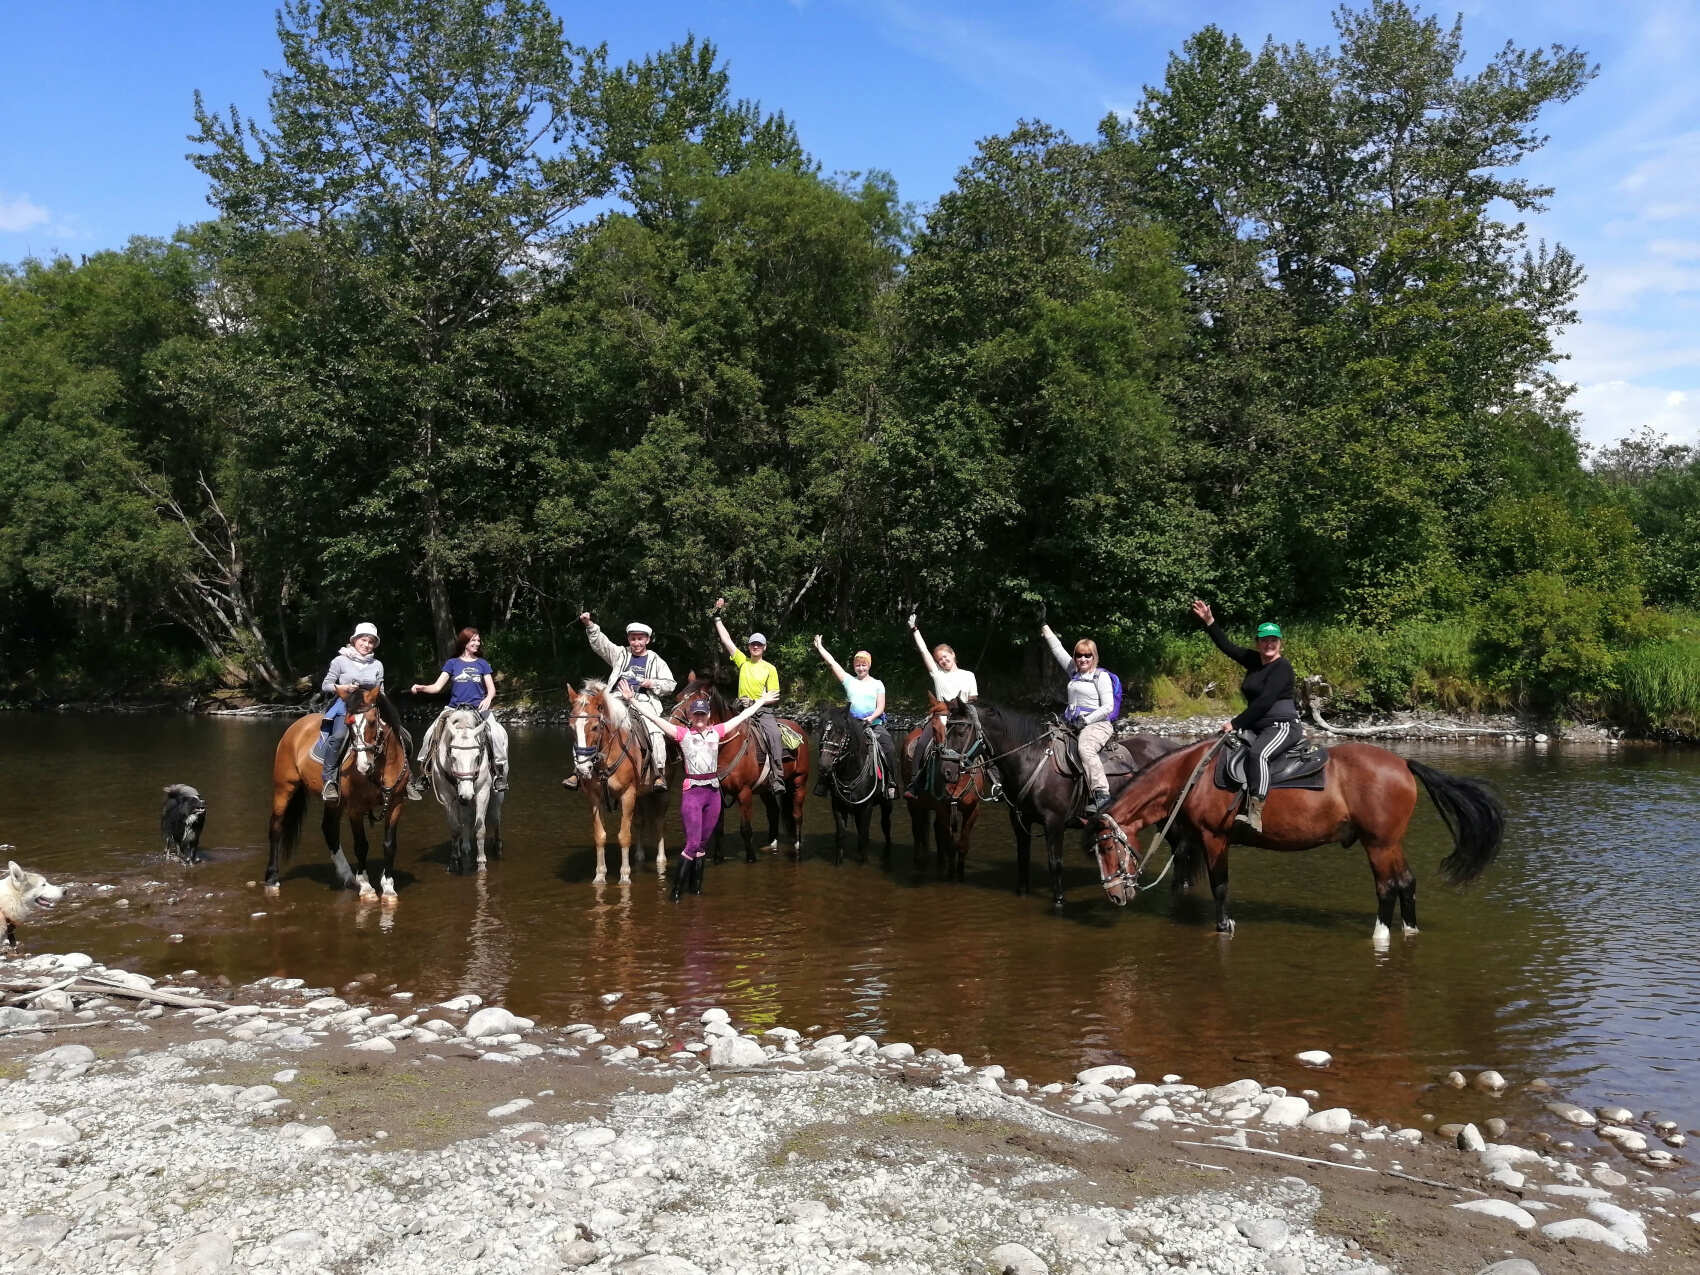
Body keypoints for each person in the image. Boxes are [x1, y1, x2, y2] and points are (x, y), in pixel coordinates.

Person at [621, 683, 779, 898]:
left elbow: (742, 717)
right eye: (696, 715)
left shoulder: (717, 732)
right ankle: (676, 892)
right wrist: (632, 701)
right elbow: (656, 719)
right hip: (693, 793)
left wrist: (760, 701)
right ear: (691, 717)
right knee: (692, 843)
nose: (700, 718)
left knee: (703, 844)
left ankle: (696, 890)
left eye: (703, 715)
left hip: (713, 794)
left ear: (708, 716)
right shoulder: (683, 734)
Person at [1190, 599, 1302, 833]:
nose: (1269, 644)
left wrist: (1235, 723)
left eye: (1273, 640)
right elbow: (1227, 646)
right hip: (1256, 726)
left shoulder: (1282, 667)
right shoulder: (1254, 660)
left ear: (1280, 643)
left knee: (1258, 754)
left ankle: (1255, 812)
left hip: (1282, 725)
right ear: (1258, 642)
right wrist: (1210, 621)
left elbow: (1264, 702)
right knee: (1219, 747)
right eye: (1264, 640)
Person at [568, 612, 676, 791]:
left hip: (642, 701)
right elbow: (601, 644)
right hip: (615, 700)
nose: (636, 643)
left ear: (647, 640)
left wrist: (650, 683)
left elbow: (670, 684)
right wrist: (589, 625)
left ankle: (658, 773)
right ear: (628, 639)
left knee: (655, 730)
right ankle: (578, 771)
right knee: (586, 724)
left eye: (640, 639)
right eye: (633, 639)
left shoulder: (656, 660)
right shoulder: (621, 654)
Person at [406, 627, 509, 798]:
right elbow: (437, 687)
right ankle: (425, 774)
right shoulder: (452, 663)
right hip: (454, 710)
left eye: (478, 640)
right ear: (464, 642)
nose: (477, 643)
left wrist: (488, 698)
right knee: (430, 734)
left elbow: (491, 689)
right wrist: (422, 687)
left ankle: (499, 774)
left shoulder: (482, 663)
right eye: (473, 640)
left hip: (478, 710)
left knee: (496, 734)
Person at [319, 621, 408, 805]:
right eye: (363, 640)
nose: (367, 645)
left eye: (371, 642)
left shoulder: (377, 664)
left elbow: (380, 690)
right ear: (355, 640)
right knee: (339, 735)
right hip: (347, 704)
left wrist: (387, 709)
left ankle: (407, 778)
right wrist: (344, 687)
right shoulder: (340, 660)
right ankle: (329, 780)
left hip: (370, 705)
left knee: (401, 734)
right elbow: (326, 685)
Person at [1040, 619, 1116, 815]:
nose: (1082, 659)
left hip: (1097, 724)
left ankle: (1101, 794)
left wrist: (1086, 720)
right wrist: (1044, 626)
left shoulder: (1101, 676)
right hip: (1072, 723)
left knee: (1085, 748)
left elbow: (1108, 706)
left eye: (1087, 655)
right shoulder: (1073, 671)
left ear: (1094, 656)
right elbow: (1058, 649)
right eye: (1079, 655)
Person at [711, 597, 786, 796]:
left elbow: (774, 696)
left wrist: (757, 701)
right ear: (749, 647)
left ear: (764, 647)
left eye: (759, 645)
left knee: (774, 735)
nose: (755, 647)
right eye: (753, 644)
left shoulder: (770, 668)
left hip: (762, 711)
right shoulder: (742, 662)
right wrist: (717, 617)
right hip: (740, 710)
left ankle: (777, 776)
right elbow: (726, 640)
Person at [904, 615, 980, 798]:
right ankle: (915, 783)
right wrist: (915, 630)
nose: (943, 661)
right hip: (941, 718)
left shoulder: (968, 675)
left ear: (953, 655)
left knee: (984, 742)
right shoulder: (937, 675)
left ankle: (995, 780)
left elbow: (973, 699)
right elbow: (924, 651)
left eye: (945, 657)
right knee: (922, 743)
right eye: (939, 660)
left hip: (963, 718)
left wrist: (963, 709)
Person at [813, 636, 898, 799]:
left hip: (873, 724)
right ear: (854, 666)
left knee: (889, 747)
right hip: (851, 726)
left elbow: (881, 707)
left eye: (863, 665)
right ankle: (823, 782)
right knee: (828, 745)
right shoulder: (849, 681)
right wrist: (820, 648)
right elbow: (832, 663)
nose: (860, 668)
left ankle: (891, 783)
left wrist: (871, 718)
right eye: (858, 665)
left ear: (869, 665)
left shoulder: (878, 684)